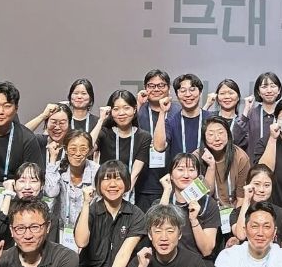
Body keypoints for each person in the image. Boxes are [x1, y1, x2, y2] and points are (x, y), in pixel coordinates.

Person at [159, 153, 220, 267]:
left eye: (191, 170)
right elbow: (158, 236)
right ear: (171, 175)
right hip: (168, 266)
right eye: (180, 169)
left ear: (198, 176)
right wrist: (166, 192)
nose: (186, 175)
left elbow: (207, 250)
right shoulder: (162, 202)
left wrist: (194, 220)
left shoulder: (208, 204)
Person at [91, 90, 154, 199]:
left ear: (134, 109)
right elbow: (86, 150)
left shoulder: (144, 137)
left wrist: (123, 195)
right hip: (104, 191)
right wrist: (101, 120)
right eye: (116, 109)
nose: (121, 113)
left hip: (129, 193)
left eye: (126, 108)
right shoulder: (104, 133)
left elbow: (135, 173)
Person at [44, 130, 100, 252]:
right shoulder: (57, 167)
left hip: (89, 230)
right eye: (73, 149)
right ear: (65, 149)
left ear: (90, 151)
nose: (78, 154)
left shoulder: (97, 171)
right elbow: (51, 192)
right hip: (61, 231)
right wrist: (52, 159)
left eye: (83, 149)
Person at [199, 117, 250, 242]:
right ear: (204, 137)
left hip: (233, 214)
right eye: (211, 134)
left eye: (221, 132)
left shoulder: (240, 157)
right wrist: (211, 167)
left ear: (228, 134)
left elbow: (241, 198)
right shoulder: (197, 157)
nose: (217, 138)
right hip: (206, 216)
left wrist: (235, 226)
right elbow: (204, 195)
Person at [230, 165, 282, 251]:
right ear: (247, 184)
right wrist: (246, 200)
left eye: (267, 185)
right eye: (257, 184)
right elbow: (241, 235)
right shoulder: (237, 214)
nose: (261, 190)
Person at [0, 163, 49, 247]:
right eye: (22, 181)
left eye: (33, 181)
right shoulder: (8, 211)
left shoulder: (47, 215)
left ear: (42, 186)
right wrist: (8, 193)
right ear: (14, 185)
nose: (27, 187)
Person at [135, 70, 172, 212]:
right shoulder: (138, 111)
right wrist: (138, 105)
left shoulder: (176, 111)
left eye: (161, 85)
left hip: (170, 182)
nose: (156, 89)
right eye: (151, 86)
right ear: (145, 88)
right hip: (142, 183)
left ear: (168, 88)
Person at [232, 71, 282, 161]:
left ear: (279, 90)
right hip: (254, 166)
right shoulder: (251, 114)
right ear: (258, 91)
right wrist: (246, 111)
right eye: (264, 87)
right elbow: (236, 141)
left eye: (273, 86)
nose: (269, 90)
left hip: (279, 165)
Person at [165, 74, 212, 156]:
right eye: (183, 91)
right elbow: (159, 147)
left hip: (206, 164)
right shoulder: (171, 122)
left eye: (192, 90)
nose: (188, 94)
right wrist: (162, 112)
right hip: (178, 164)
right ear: (177, 95)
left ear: (200, 92)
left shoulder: (212, 119)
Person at [24, 103, 72, 167]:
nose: (57, 127)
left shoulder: (73, 145)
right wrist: (43, 116)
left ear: (69, 125)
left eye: (62, 123)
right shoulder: (38, 141)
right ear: (46, 123)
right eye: (53, 122)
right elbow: (22, 134)